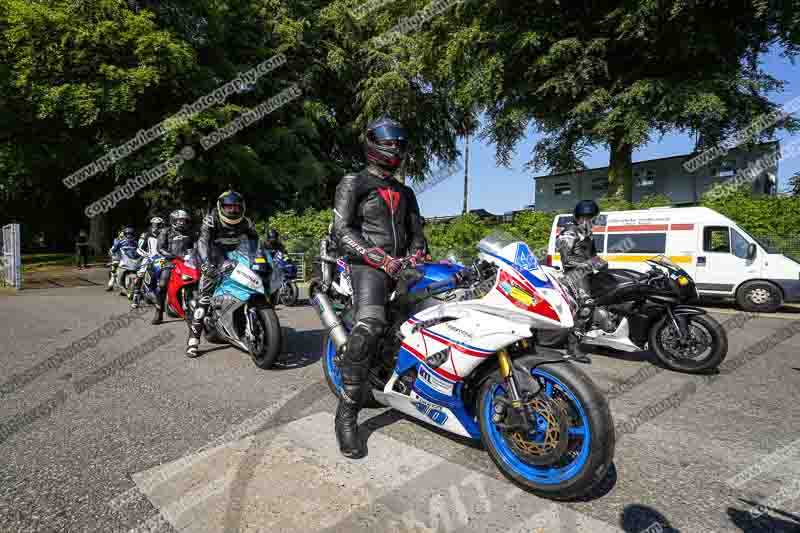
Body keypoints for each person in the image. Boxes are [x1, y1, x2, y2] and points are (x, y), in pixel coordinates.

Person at [332, 116, 426, 458]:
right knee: (370, 326)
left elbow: (418, 232)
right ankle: (347, 414)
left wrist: (416, 255)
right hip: (366, 266)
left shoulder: (406, 191)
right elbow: (341, 231)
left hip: (402, 267)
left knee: (432, 314)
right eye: (390, 143)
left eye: (400, 144)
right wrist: (380, 258)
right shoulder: (353, 182)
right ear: (373, 144)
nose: (396, 148)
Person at [187, 190, 259, 357]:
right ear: (220, 207)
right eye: (229, 207)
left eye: (236, 207)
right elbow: (203, 242)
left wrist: (257, 258)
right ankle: (193, 340)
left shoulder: (246, 222)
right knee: (204, 299)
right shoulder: (211, 220)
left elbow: (255, 240)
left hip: (236, 259)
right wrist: (206, 264)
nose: (233, 211)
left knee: (255, 284)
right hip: (213, 258)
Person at [555, 199, 607, 363]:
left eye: (590, 217)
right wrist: (589, 263)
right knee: (586, 304)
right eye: (584, 217)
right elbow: (566, 259)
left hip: (586, 272)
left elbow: (592, 255)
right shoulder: (569, 232)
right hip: (574, 274)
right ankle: (572, 348)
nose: (587, 221)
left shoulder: (588, 233)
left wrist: (600, 262)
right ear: (577, 217)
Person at [151, 210, 195, 324]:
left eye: (184, 220)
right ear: (173, 221)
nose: (182, 223)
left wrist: (195, 254)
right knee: (162, 285)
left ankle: (195, 310)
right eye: (179, 220)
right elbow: (160, 248)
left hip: (189, 263)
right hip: (171, 263)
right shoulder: (166, 231)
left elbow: (196, 246)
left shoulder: (191, 232)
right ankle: (158, 313)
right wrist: (175, 256)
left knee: (196, 283)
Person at [131, 216, 165, 309]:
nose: (157, 226)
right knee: (140, 274)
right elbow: (139, 248)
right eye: (155, 224)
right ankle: (136, 297)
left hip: (164, 258)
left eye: (159, 224)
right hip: (149, 257)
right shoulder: (146, 234)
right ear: (152, 224)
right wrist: (147, 255)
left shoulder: (166, 234)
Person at [108, 226, 138, 292]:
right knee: (114, 268)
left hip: (133, 261)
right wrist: (113, 255)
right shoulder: (120, 242)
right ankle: (112, 283)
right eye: (127, 234)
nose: (129, 236)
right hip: (122, 261)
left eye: (131, 234)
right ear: (125, 234)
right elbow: (112, 250)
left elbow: (140, 251)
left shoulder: (136, 243)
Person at [319, 223, 339, 293]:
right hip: (328, 262)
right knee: (328, 282)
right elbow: (323, 255)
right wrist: (335, 260)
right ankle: (323, 294)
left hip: (340, 261)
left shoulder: (341, 240)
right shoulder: (325, 239)